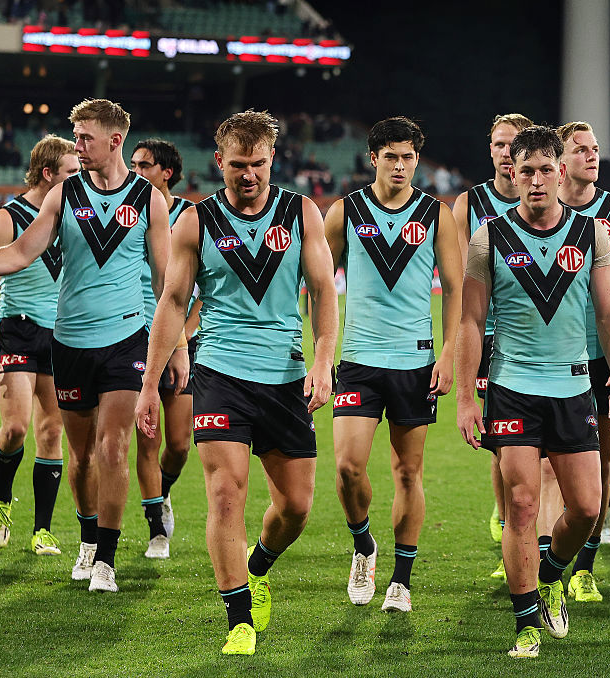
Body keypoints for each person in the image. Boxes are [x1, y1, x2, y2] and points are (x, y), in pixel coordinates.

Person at [137, 110, 337, 656]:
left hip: (284, 376)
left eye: (258, 165)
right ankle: (238, 619)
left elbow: (323, 293)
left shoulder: (302, 214)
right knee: (226, 494)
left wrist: (323, 361)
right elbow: (173, 302)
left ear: (273, 160)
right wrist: (150, 382)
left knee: (295, 506)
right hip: (220, 372)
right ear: (218, 162)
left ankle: (259, 565)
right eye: (237, 166)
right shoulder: (195, 222)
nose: (248, 176)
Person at [456, 125, 610, 658]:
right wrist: (467, 397)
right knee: (523, 505)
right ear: (513, 172)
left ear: (560, 172)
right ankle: (526, 622)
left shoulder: (591, 235)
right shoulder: (490, 236)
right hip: (512, 388)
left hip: (573, 386)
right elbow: (469, 320)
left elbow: (608, 313)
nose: (534, 179)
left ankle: (553, 573)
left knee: (585, 508)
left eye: (543, 169)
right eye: (523, 169)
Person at [0, 99, 170, 593]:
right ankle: (89, 539)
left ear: (115, 141)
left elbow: (165, 285)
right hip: (68, 342)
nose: (78, 146)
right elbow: (20, 253)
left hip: (126, 340)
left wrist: (175, 347)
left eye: (86, 138)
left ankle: (106, 560)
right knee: (81, 456)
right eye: (76, 137)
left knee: (113, 446)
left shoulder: (149, 199)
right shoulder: (64, 194)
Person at [324, 116, 462, 613]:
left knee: (409, 472)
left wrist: (449, 353)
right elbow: (318, 281)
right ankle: (364, 546)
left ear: (416, 160)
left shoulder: (435, 214)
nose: (400, 165)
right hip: (360, 359)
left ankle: (401, 580)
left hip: (415, 364)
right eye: (391, 157)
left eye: (408, 157)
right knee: (346, 467)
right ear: (374, 158)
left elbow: (456, 288)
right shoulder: (345, 211)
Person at [537, 120, 610, 602]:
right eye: (581, 149)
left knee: (601, 468)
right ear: (560, 162)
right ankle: (546, 562)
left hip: (605, 356)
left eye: (595, 149)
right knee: (552, 468)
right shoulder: (540, 215)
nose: (592, 157)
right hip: (557, 356)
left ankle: (584, 569)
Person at [451, 113, 532, 572]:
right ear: (492, 151)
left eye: (514, 145)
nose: (507, 152)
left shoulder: (548, 200)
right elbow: (466, 281)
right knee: (502, 441)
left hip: (534, 338)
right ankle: (509, 526)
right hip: (486, 336)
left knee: (529, 446)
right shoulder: (470, 203)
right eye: (500, 144)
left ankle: (518, 527)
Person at [0, 135, 79, 555]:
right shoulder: (8, 217)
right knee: (14, 428)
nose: (79, 179)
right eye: (71, 173)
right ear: (48, 174)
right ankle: (0, 502)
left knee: (52, 430)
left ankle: (41, 530)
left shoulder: (73, 216)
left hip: (61, 331)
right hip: (18, 328)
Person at [129, 138, 198, 559]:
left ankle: (163, 491)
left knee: (179, 443)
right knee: (147, 439)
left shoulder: (191, 215)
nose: (136, 172)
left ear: (166, 172)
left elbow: (204, 287)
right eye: (133, 165)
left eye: (144, 166)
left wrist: (183, 335)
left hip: (185, 337)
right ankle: (156, 531)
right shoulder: (127, 213)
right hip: (141, 334)